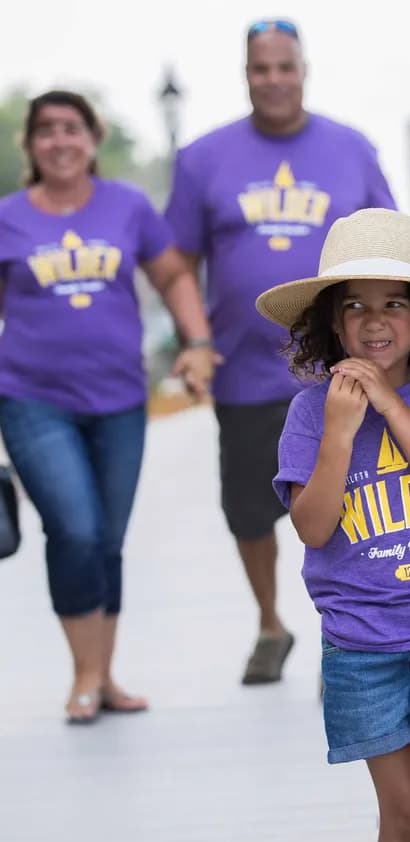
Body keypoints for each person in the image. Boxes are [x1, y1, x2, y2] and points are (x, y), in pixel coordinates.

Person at [165, 18, 397, 685]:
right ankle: (270, 621)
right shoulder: (202, 160)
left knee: (354, 493)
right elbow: (178, 263)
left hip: (338, 367)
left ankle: (350, 624)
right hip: (243, 370)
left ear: (303, 70)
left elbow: (386, 245)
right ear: (246, 75)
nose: (273, 79)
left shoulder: (351, 150)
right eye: (260, 69)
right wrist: (196, 340)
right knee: (248, 508)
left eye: (284, 67)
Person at [259, 208, 410, 842]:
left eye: (394, 303)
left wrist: (390, 404)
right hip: (362, 645)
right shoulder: (311, 413)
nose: (374, 320)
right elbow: (313, 528)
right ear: (332, 324)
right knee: (407, 814)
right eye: (355, 306)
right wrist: (340, 432)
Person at [0, 90, 217, 724]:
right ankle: (85, 677)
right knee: (76, 529)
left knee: (109, 540)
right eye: (46, 131)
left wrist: (197, 341)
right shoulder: (10, 217)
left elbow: (173, 274)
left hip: (121, 401)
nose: (59, 140)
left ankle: (106, 675)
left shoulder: (126, 207)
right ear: (32, 146)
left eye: (72, 128)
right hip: (32, 400)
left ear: (92, 140)